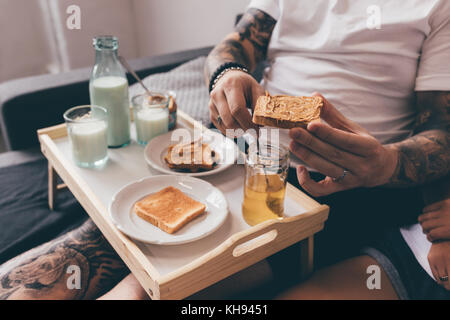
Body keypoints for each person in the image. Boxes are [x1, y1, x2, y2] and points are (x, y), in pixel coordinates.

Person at [1, 0, 449, 300]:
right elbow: (231, 47)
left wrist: (387, 163)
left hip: (340, 191)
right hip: (239, 159)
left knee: (147, 288)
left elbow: (443, 132)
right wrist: (226, 76)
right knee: (75, 256)